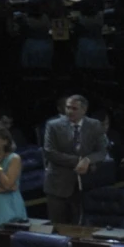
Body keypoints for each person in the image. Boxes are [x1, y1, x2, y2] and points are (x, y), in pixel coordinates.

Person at [39, 94, 105, 225]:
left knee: (80, 228)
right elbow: (49, 152)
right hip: (57, 185)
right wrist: (78, 160)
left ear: (84, 110)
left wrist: (87, 160)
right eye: (68, 108)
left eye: (74, 108)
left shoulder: (94, 125)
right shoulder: (53, 125)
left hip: (84, 185)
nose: (69, 111)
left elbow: (102, 151)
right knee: (58, 227)